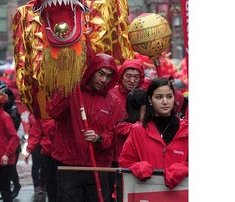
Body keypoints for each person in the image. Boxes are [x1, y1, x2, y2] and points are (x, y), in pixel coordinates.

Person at [46, 53, 125, 202]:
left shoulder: (114, 102)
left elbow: (114, 135)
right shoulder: (73, 91)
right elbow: (53, 111)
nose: (103, 80)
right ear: (91, 71)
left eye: (108, 76)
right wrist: (67, 88)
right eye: (100, 74)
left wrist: (99, 138)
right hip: (69, 165)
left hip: (99, 166)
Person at [118, 78, 188, 189]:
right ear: (150, 100)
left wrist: (183, 168)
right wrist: (138, 167)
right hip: (147, 194)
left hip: (180, 194)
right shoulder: (138, 131)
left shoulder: (187, 130)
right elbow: (125, 163)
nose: (165, 101)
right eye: (159, 97)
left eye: (169, 96)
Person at [0, 80, 23, 199]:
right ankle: (6, 191)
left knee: (11, 169)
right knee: (4, 170)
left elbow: (14, 130)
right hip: (3, 144)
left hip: (13, 144)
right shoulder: (2, 110)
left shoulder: (13, 110)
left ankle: (16, 186)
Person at [24, 118, 57, 201]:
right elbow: (35, 133)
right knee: (51, 185)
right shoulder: (41, 116)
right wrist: (29, 149)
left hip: (61, 155)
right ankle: (40, 186)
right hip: (48, 154)